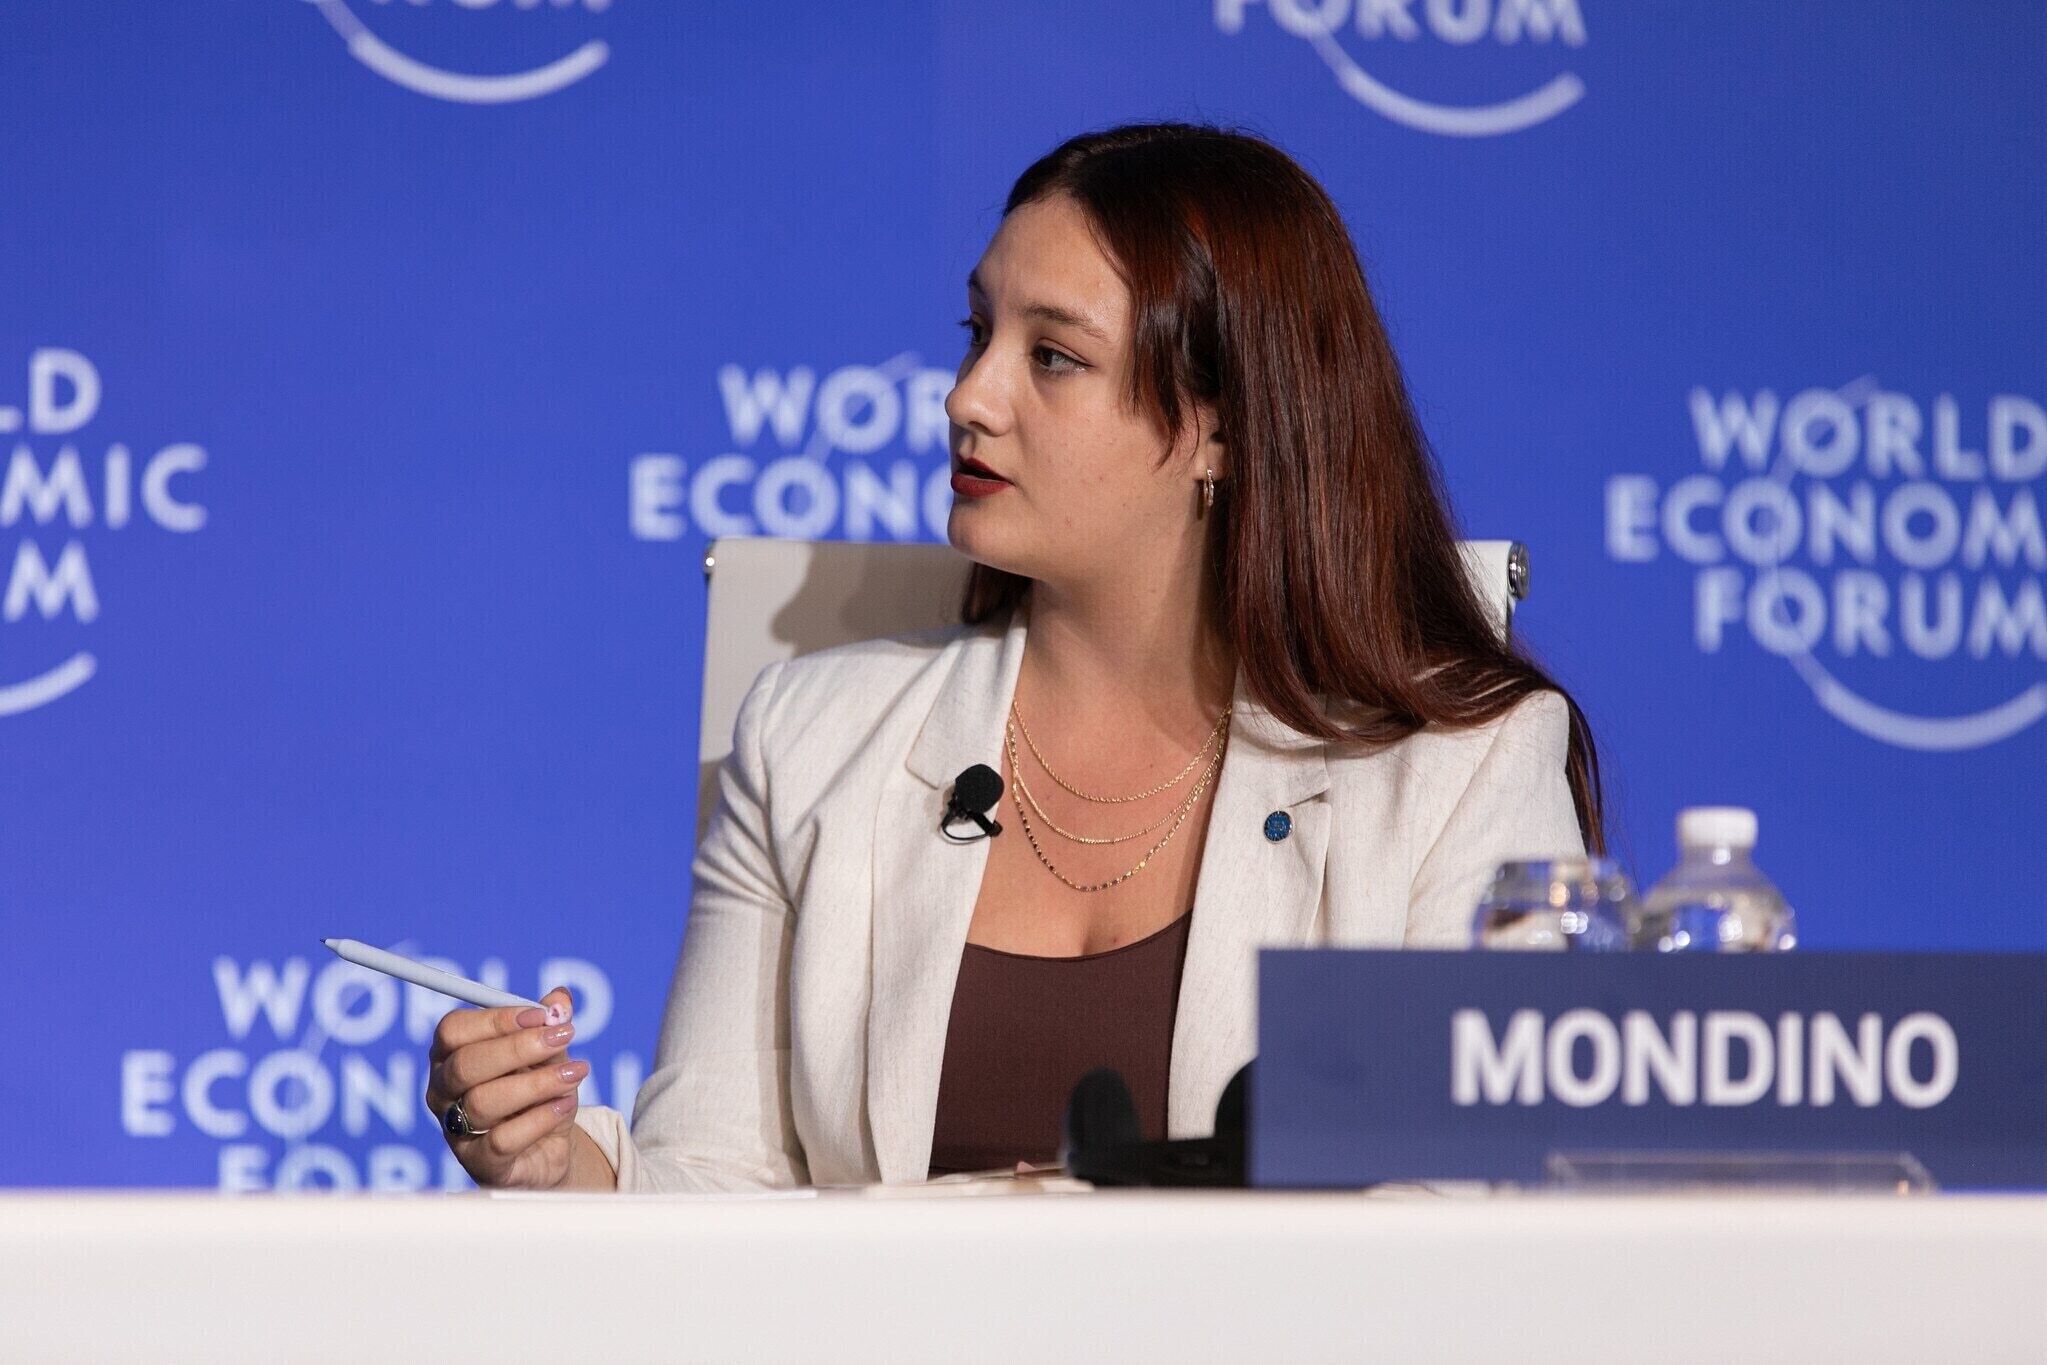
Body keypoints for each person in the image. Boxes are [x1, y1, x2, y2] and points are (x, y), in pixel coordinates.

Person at [424, 120, 1604, 1193]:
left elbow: (1467, 1217)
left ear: (1224, 429)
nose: (966, 397)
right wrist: (557, 1170)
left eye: (1052, 357)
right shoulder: (808, 739)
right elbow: (714, 1187)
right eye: (979, 333)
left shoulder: (1462, 765)